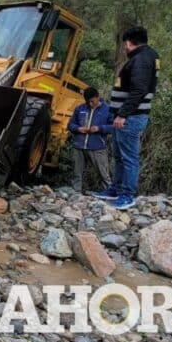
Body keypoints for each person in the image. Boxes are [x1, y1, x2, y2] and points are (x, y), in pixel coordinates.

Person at [94, 26, 159, 210]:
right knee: (120, 156)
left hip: (130, 117)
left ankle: (127, 195)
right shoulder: (147, 57)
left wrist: (123, 114)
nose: (124, 47)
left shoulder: (141, 60)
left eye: (124, 44)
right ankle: (115, 189)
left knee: (129, 157)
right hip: (124, 117)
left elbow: (139, 90)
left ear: (129, 43)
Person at [67, 87, 113, 194]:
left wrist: (100, 128)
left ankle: (108, 193)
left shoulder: (108, 109)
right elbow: (70, 124)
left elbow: (114, 127)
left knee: (103, 174)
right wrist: (78, 128)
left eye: (92, 101)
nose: (90, 104)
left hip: (98, 147)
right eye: (88, 102)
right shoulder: (80, 108)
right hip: (79, 146)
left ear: (98, 97)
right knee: (76, 172)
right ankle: (76, 193)